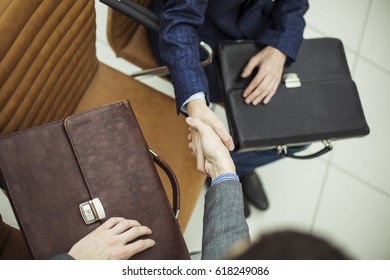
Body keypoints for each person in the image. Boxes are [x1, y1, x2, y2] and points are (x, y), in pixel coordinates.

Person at [147, 0, 310, 213]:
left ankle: (237, 166)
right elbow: (180, 20)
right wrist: (195, 105)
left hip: (258, 35)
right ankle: (227, 170)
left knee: (303, 132)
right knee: (288, 127)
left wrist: (280, 47)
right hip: (200, 42)